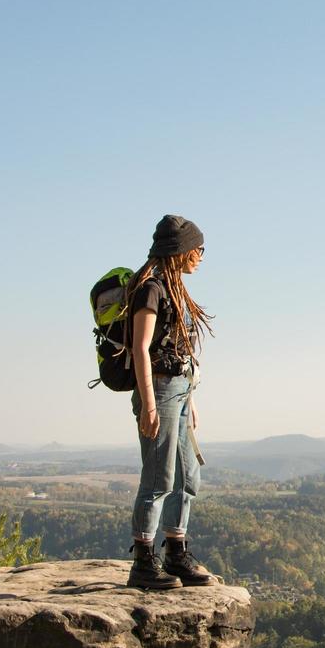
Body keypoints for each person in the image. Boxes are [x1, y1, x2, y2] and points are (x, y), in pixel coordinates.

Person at [125, 215, 215, 589]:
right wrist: (148, 404)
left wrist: (189, 397)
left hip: (178, 389)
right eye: (198, 249)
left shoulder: (173, 287)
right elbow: (140, 348)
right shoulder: (151, 289)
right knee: (159, 476)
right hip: (159, 391)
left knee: (187, 475)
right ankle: (144, 562)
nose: (201, 256)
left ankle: (176, 551)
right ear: (180, 251)